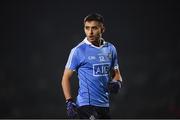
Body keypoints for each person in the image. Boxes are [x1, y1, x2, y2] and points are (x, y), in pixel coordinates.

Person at [61, 13, 123, 119]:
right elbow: (65, 78)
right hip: (86, 105)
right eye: (87, 28)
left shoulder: (111, 48)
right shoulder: (78, 50)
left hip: (104, 105)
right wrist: (69, 102)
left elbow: (117, 74)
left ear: (102, 29)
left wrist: (117, 83)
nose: (90, 32)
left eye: (94, 28)